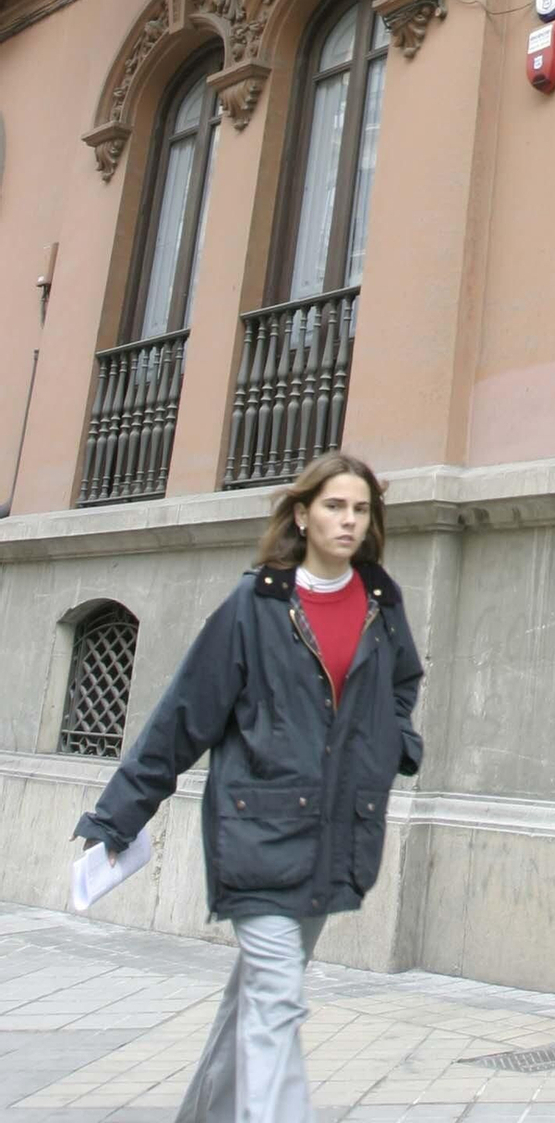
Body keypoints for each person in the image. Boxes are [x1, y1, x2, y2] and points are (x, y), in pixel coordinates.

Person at [74, 453, 423, 1123]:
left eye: (361, 508)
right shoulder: (255, 605)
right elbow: (185, 714)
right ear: (302, 515)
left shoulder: (380, 602)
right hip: (256, 833)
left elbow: (401, 682)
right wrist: (117, 818)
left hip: (336, 835)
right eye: (334, 506)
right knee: (276, 1001)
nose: (349, 520)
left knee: (258, 995)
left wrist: (395, 743)